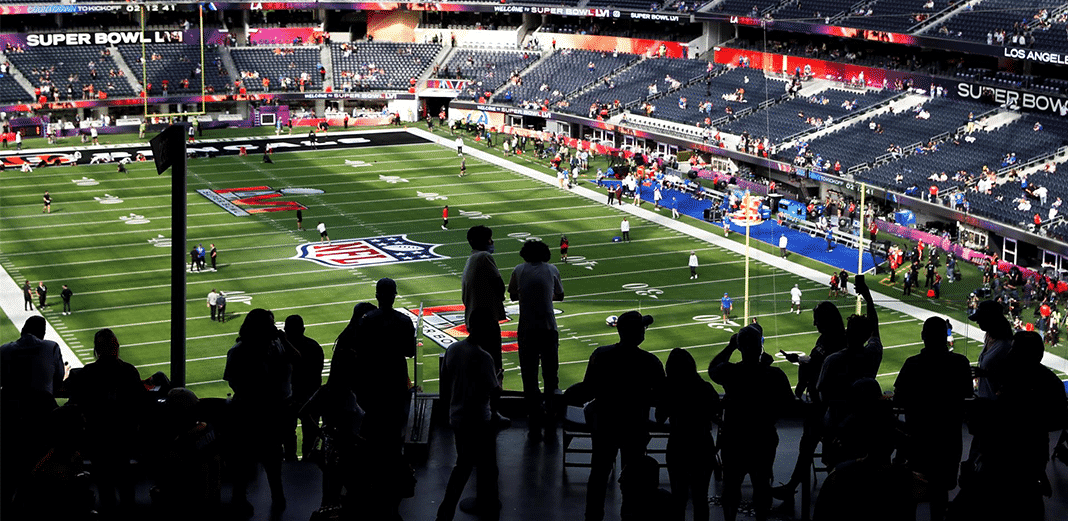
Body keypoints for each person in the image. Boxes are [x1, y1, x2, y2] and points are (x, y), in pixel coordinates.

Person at [581, 311, 665, 521]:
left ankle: (593, 517)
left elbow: (588, 389)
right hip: (635, 427)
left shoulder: (601, 355)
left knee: (599, 475)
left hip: (605, 425)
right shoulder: (650, 362)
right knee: (635, 479)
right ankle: (631, 516)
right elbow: (662, 397)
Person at [708, 324, 794, 521]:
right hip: (763, 437)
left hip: (734, 437)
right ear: (760, 347)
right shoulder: (774, 374)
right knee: (762, 485)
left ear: (740, 347)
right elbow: (788, 405)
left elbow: (713, 369)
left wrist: (730, 347)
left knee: (731, 486)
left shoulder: (731, 372)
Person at [223, 308, 300, 517]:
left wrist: (283, 340)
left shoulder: (275, 345)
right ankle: (243, 498)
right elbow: (235, 381)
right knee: (248, 457)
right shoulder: (240, 351)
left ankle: (274, 496)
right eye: (269, 324)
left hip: (269, 410)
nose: (274, 328)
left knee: (271, 457)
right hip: (253, 411)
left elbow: (297, 358)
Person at [894, 317, 973, 521]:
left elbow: (899, 397)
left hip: (918, 437)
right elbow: (966, 394)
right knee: (940, 494)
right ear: (945, 338)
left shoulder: (912, 364)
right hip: (948, 438)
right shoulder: (960, 363)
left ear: (923, 337)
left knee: (912, 491)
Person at [65, 328, 145, 513]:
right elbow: (139, 404)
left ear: (97, 349)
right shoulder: (128, 371)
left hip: (98, 437)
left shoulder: (87, 373)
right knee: (125, 484)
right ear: (116, 347)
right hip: (123, 436)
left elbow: (77, 403)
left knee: (104, 485)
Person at [437, 319, 501, 521]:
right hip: (479, 420)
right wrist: (498, 378)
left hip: (458, 417)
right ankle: (486, 504)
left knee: (463, 466)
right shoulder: (484, 357)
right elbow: (494, 391)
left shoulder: (453, 349)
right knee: (486, 466)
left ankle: (445, 512)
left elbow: (445, 380)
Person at [0, 315, 66, 507]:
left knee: (12, 467)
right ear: (43, 333)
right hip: (41, 415)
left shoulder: (4, 349)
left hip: (10, 415)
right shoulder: (51, 347)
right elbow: (58, 380)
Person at [507, 240, 565, 438]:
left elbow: (513, 295)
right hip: (548, 327)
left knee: (529, 375)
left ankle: (533, 412)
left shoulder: (519, 269)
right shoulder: (551, 269)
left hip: (526, 328)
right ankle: (551, 410)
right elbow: (560, 295)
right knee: (550, 374)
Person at [656, 348, 719, 521]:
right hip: (702, 443)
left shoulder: (669, 389)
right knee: (701, 498)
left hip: (678, 443)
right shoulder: (704, 387)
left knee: (679, 497)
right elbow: (715, 411)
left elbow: (659, 417)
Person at [462, 225, 509, 424]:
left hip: (474, 318)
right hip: (486, 319)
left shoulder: (472, 258)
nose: (492, 243)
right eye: (490, 239)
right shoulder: (484, 258)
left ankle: (480, 411)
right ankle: (493, 412)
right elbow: (499, 284)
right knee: (494, 368)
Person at [283, 315, 324, 462]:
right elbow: (316, 376)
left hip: (290, 399)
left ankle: (291, 461)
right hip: (309, 398)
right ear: (303, 329)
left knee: (288, 437)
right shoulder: (314, 346)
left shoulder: (282, 350)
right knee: (310, 437)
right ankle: (307, 462)